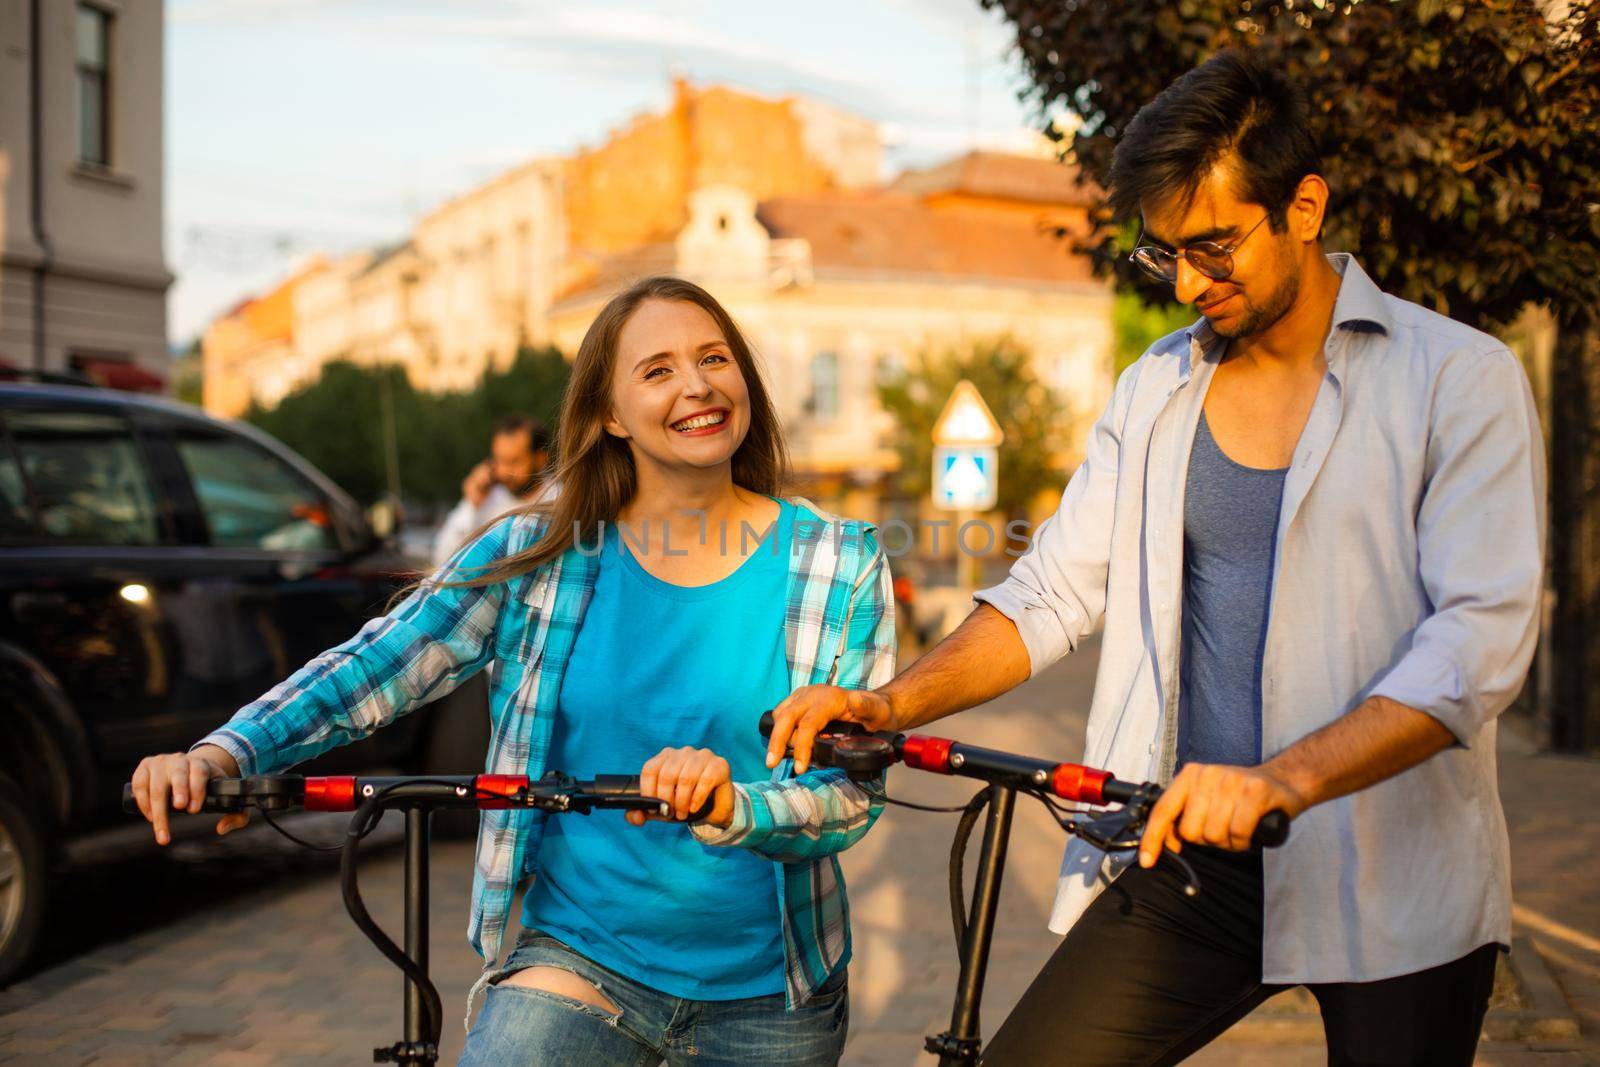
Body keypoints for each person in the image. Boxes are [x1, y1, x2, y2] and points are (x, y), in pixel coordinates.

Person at [770, 51, 1544, 1067]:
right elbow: (1050, 591)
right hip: (1193, 859)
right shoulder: (1155, 387)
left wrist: (1283, 777)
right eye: (1162, 253)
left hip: (1391, 866)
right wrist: (891, 701)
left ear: (1303, 208)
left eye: (1213, 247)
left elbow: (1479, 639)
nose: (1185, 282)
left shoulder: (1458, 379)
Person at [130, 275, 895, 1066]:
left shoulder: (837, 562)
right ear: (607, 413)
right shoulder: (539, 556)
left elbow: (851, 797)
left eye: (714, 358)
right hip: (582, 958)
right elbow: (377, 663)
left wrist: (733, 805)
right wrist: (229, 750)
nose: (697, 385)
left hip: (773, 992)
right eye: (657, 369)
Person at [431, 413, 555, 566]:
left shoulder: (562, 500)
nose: (502, 472)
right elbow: (442, 560)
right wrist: (471, 504)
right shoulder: (487, 499)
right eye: (498, 460)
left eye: (513, 462)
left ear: (541, 459)